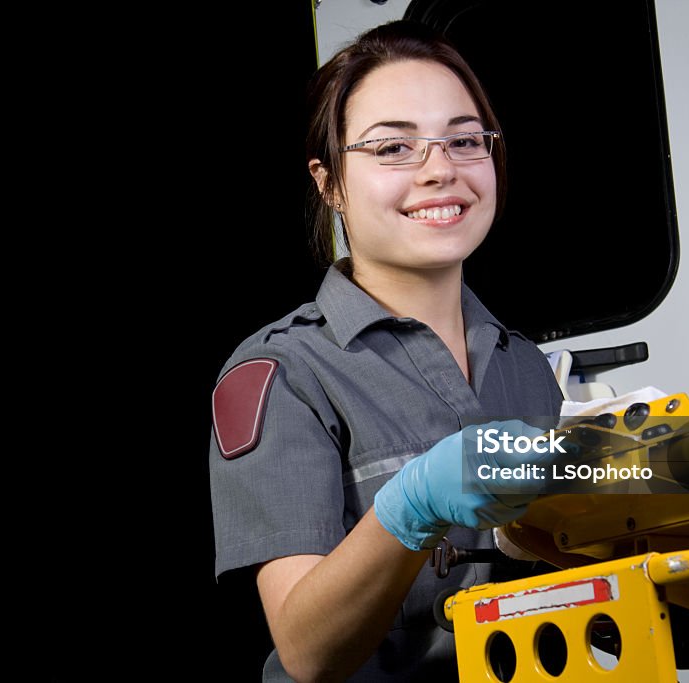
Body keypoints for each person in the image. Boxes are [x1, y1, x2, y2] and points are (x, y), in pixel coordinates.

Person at [209, 20, 563, 681]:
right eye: (394, 147)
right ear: (330, 183)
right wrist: (413, 504)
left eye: (463, 140)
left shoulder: (527, 368)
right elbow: (309, 651)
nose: (440, 170)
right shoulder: (283, 374)